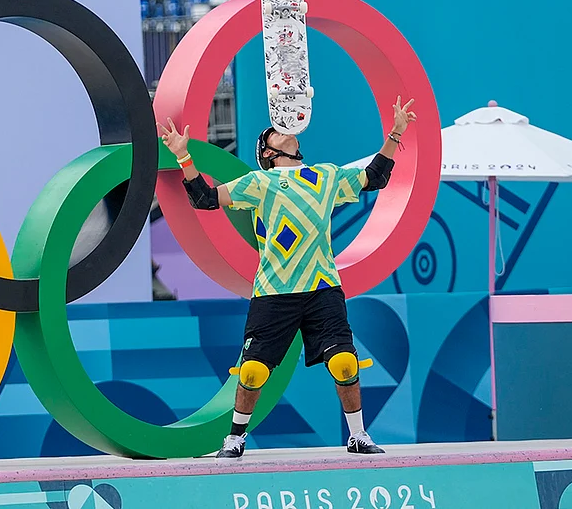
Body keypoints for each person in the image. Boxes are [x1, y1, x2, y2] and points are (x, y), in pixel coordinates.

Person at [157, 96, 416, 459]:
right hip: (273, 292)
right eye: (273, 131)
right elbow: (204, 199)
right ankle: (234, 438)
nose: (283, 129)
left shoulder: (325, 175)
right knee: (251, 372)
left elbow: (376, 177)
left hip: (322, 288)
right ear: (267, 152)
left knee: (344, 362)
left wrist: (396, 132)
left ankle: (358, 435)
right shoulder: (257, 182)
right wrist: (183, 156)